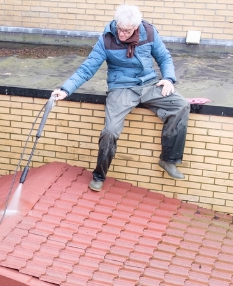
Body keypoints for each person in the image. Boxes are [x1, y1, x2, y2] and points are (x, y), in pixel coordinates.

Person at [51, 5, 190, 190]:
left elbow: (164, 57)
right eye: (120, 29)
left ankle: (169, 160)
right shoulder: (106, 39)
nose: (122, 34)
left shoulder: (149, 32)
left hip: (149, 84)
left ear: (136, 27)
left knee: (181, 105)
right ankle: (99, 175)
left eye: (127, 31)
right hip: (121, 87)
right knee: (110, 131)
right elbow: (87, 68)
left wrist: (168, 79)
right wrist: (66, 89)